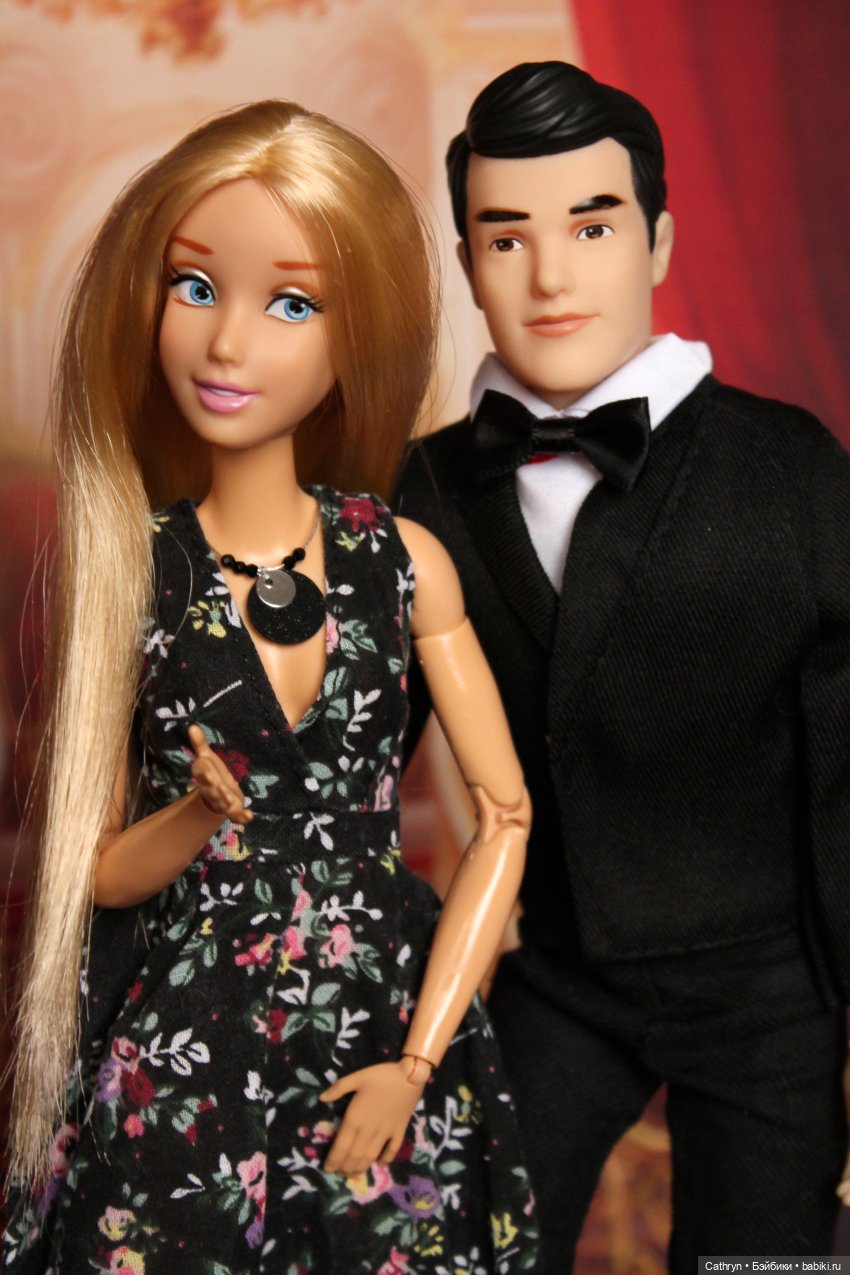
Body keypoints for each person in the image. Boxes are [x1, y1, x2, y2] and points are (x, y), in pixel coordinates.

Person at [3, 99, 538, 1274]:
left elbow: (504, 814)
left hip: (378, 1022)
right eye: (195, 288)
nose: (227, 345)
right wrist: (197, 814)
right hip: (188, 1035)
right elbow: (97, 873)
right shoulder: (134, 569)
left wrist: (418, 1060)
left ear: (359, 336)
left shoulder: (403, 562)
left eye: (290, 304)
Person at [396, 60, 850, 1274]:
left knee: (766, 1262)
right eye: (507, 239)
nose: (550, 277)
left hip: (770, 986)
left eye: (591, 228)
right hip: (556, 969)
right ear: (467, 264)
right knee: (462, 1241)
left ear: (657, 242)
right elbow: (357, 748)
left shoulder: (789, 470)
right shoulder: (427, 488)